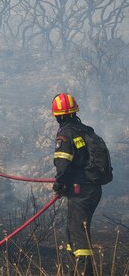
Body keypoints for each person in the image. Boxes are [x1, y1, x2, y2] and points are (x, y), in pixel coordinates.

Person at [51, 93, 102, 276]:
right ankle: (77, 271)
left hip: (80, 190)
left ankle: (83, 273)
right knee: (75, 231)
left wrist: (59, 184)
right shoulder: (86, 130)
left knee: (78, 234)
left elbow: (63, 163)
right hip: (94, 189)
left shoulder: (65, 134)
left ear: (59, 115)